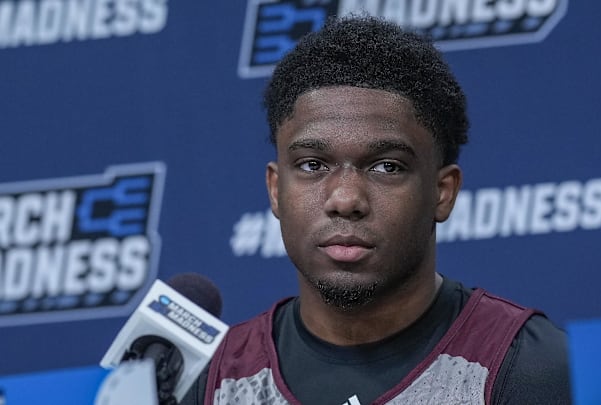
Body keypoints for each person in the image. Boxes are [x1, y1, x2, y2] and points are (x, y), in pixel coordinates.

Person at [195, 15, 570, 405]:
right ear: (276, 189)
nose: (345, 199)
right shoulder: (206, 381)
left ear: (442, 193)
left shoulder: (536, 369)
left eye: (386, 167)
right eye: (312, 165)